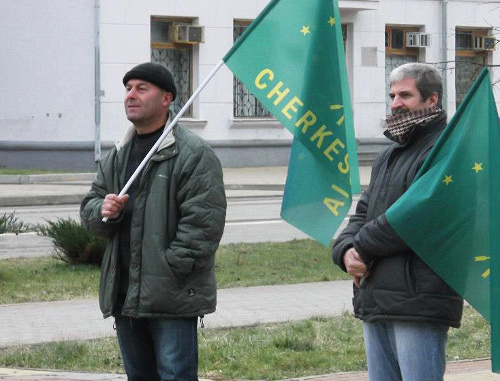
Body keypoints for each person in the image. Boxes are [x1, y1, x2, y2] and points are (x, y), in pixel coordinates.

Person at [80, 62, 227, 381]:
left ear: (166, 99)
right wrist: (103, 210)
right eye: (128, 88)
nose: (131, 95)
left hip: (170, 297)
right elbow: (90, 207)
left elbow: (203, 225)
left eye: (141, 88)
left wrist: (170, 268)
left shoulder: (192, 154)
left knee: (176, 376)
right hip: (125, 295)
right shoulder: (118, 154)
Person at [332, 63, 463, 381]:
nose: (395, 103)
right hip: (376, 296)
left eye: (405, 94)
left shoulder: (444, 151)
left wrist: (360, 246)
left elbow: (416, 216)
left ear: (432, 100)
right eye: (392, 95)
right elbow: (363, 213)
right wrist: (345, 249)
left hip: (419, 300)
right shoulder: (388, 156)